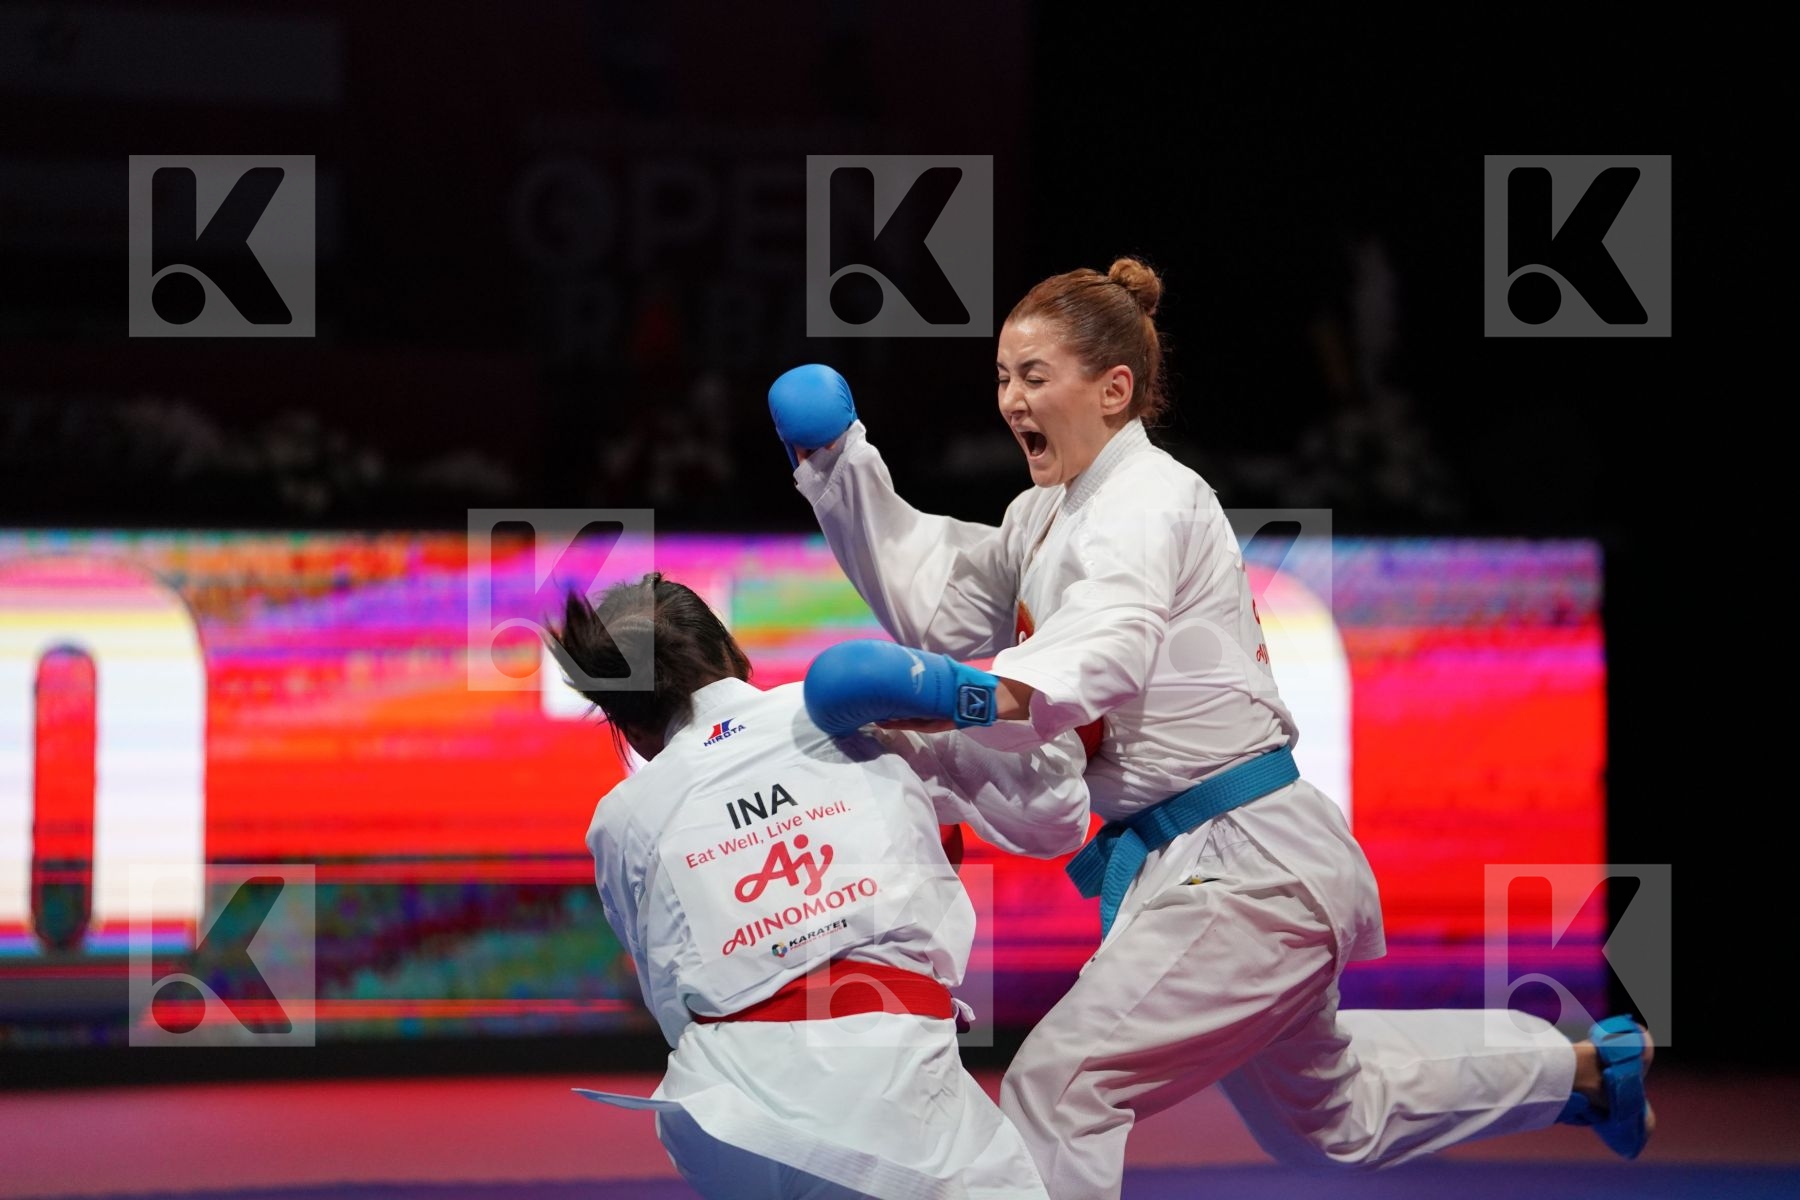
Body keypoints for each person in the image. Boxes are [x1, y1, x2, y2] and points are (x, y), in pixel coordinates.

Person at [770, 257, 1653, 1200]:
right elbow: (941, 597)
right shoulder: (1042, 515)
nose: (1011, 401)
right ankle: (1587, 1072)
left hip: (1249, 865)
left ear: (1113, 390)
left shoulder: (1150, 499)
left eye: (1033, 376)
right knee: (1336, 1123)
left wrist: (962, 699)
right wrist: (840, 468)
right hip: (1210, 865)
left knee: (1060, 1090)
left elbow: (1105, 647)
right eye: (1001, 377)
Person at [553, 572, 1091, 1200]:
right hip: (887, 1083)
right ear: (735, 653)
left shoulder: (619, 818)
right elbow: (1058, 817)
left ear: (632, 730)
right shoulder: (854, 712)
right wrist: (974, 696)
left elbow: (670, 999)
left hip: (717, 1113)